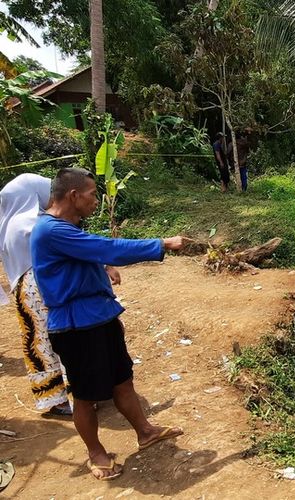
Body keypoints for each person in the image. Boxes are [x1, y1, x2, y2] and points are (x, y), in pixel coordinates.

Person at [30, 167, 184, 481]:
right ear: (73, 196)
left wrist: (106, 264)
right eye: (92, 194)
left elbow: (95, 252)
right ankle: (96, 453)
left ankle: (145, 431)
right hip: (76, 327)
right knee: (86, 396)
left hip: (100, 316)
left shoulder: (65, 227)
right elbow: (104, 247)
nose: (96, 201)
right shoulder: (51, 230)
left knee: (122, 380)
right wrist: (161, 244)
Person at [0, 173, 83, 417]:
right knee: (61, 339)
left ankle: (51, 397)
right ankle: (76, 394)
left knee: (38, 344)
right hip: (44, 289)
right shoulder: (34, 224)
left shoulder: (8, 224)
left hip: (23, 292)